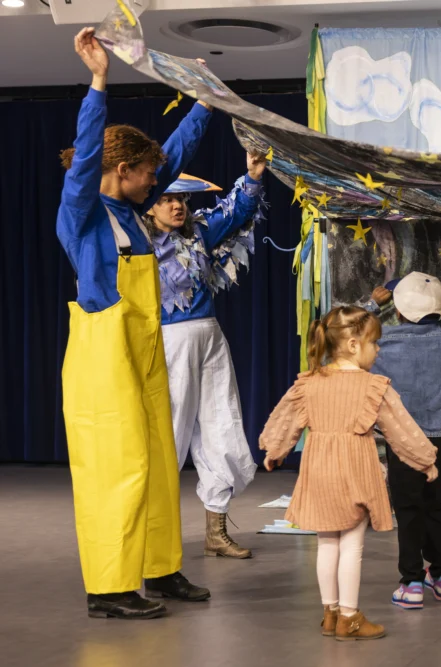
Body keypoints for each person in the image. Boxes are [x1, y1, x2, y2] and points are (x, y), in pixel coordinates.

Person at [57, 27, 213, 619]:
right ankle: (109, 588)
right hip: (103, 350)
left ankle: (158, 569)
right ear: (121, 169)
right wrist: (99, 79)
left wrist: (205, 100)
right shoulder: (84, 211)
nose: (159, 181)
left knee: (155, 456)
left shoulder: (129, 208)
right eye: (148, 174)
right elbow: (87, 159)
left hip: (143, 346)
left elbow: (173, 153)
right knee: (116, 466)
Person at [258, 306, 439, 641]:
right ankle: (349, 617)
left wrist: (275, 449)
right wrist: (424, 460)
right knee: (351, 546)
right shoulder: (372, 386)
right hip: (353, 470)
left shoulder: (309, 383)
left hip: (318, 471)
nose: (378, 349)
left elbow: (285, 418)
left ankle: (329, 613)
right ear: (354, 345)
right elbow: (402, 429)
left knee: (327, 544)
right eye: (374, 343)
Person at [144, 153, 268, 559]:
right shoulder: (139, 242)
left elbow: (236, 212)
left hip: (210, 337)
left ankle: (216, 530)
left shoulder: (198, 233)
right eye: (167, 199)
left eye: (182, 199)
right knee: (171, 431)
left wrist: (251, 175)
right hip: (170, 340)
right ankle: (154, 536)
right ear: (150, 204)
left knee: (221, 423)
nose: (177, 205)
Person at [359, 273, 441, 609]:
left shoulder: (384, 341)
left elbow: (342, 340)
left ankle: (411, 582)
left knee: (408, 509)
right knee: (434, 503)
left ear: (397, 309)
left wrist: (371, 306)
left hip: (402, 436)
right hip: (440, 433)